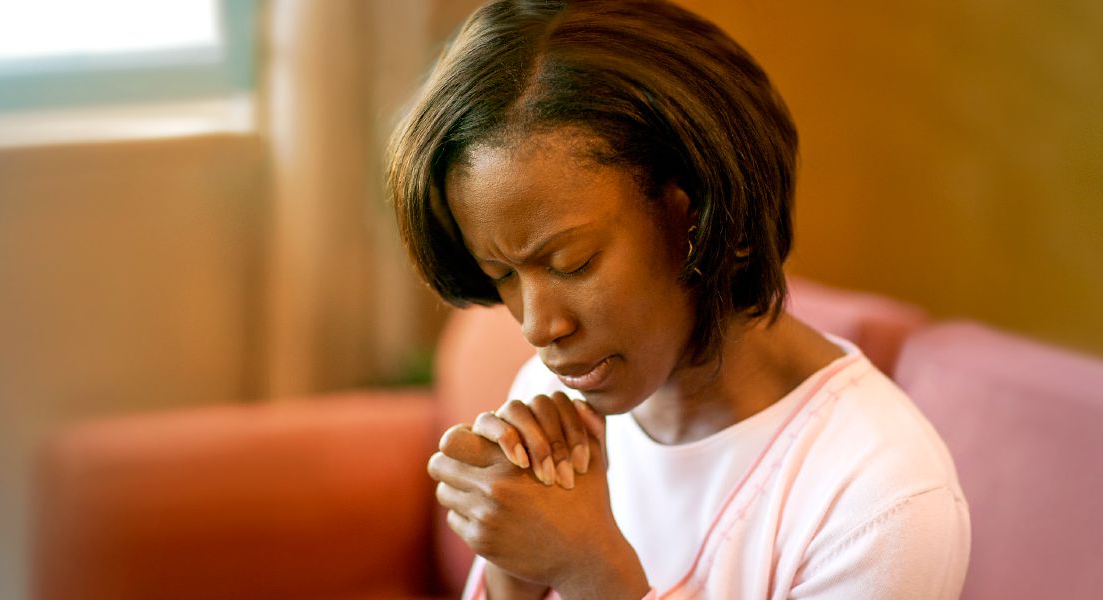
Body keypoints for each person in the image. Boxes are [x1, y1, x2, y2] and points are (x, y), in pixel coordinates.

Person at [387, 1, 971, 598]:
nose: (539, 327)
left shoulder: (881, 502)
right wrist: (517, 566)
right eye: (502, 275)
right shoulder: (550, 395)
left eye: (572, 263)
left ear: (704, 213)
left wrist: (591, 570)